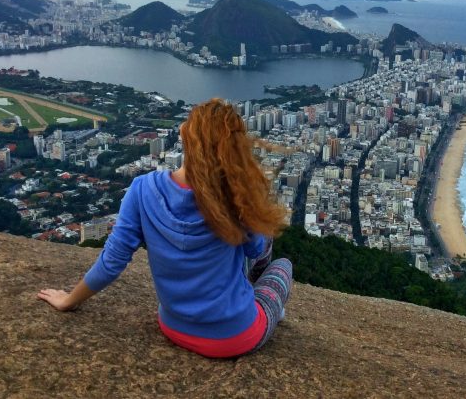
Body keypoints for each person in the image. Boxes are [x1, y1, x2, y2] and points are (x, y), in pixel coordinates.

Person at [37, 98, 292, 358]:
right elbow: (256, 249)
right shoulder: (234, 198)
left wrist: (69, 300)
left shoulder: (142, 189)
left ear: (184, 134)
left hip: (174, 328)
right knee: (282, 265)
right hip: (236, 337)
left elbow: (111, 262)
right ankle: (270, 309)